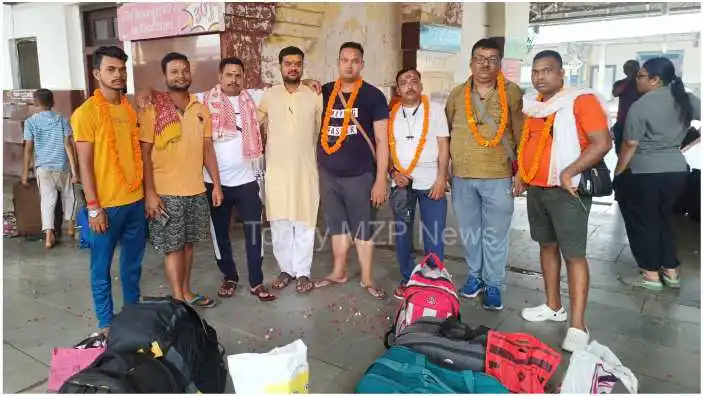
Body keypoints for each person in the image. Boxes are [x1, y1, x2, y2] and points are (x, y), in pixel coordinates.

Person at [515, 50, 611, 352]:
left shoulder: (581, 100)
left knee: (574, 255)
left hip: (568, 191)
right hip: (538, 189)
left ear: (561, 74)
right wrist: (522, 173)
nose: (539, 76)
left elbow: (602, 143)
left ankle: (578, 324)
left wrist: (570, 170)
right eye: (535, 71)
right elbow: (529, 143)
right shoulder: (536, 105)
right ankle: (554, 306)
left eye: (547, 70)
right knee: (546, 246)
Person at [71, 46, 146, 333]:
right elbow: (85, 165)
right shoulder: (86, 113)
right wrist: (93, 208)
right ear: (96, 73)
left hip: (135, 201)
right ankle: (105, 323)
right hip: (105, 207)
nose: (118, 75)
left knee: (132, 265)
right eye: (111, 69)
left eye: (122, 69)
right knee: (100, 268)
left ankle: (133, 313)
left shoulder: (128, 110)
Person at [445, 38, 524, 310]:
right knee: (469, 232)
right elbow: (447, 130)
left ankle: (493, 283)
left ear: (499, 63)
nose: (485, 63)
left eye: (492, 59)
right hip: (463, 175)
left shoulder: (512, 93)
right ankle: (475, 277)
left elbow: (520, 133)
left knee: (496, 234)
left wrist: (521, 173)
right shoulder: (457, 94)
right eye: (480, 58)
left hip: (498, 174)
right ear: (471, 62)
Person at [139, 52, 223, 308]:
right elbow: (143, 154)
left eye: (184, 70)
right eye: (174, 71)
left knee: (188, 245)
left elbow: (207, 149)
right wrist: (150, 193)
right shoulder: (152, 110)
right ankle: (178, 300)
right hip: (165, 192)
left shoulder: (200, 109)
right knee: (173, 247)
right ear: (165, 76)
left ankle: (186, 292)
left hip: (195, 190)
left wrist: (216, 184)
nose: (180, 75)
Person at [194, 57, 277, 302]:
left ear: (243, 77)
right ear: (219, 77)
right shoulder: (203, 99)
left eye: (238, 75)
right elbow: (173, 94)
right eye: (228, 75)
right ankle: (229, 276)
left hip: (247, 180)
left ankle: (256, 281)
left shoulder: (253, 97)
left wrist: (311, 82)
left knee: (254, 232)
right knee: (220, 233)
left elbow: (283, 89)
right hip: (214, 182)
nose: (233, 79)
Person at [614, 57, 701, 290]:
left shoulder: (642, 105)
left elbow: (630, 143)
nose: (637, 80)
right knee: (662, 218)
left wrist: (619, 171)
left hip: (645, 173)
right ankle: (671, 271)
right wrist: (690, 141)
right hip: (676, 171)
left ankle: (651, 274)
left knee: (643, 222)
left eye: (641, 76)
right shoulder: (686, 99)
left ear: (655, 80)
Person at [313, 42, 390, 299]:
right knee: (336, 226)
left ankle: (367, 278)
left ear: (362, 64)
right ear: (338, 62)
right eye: (344, 59)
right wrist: (306, 81)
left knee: (363, 227)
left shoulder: (373, 96)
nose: (349, 64)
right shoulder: (323, 92)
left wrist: (381, 180)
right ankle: (338, 271)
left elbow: (381, 140)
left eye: (354, 60)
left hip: (361, 176)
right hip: (329, 174)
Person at [257, 46, 323, 294]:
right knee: (280, 223)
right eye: (288, 63)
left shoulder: (315, 94)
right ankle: (286, 269)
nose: (293, 67)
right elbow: (255, 123)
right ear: (280, 66)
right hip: (277, 172)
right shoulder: (269, 95)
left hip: (306, 169)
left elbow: (321, 129)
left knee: (305, 222)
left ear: (302, 66)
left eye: (297, 63)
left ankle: (303, 272)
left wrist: (308, 83)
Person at [389, 68, 450, 299]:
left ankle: (434, 280)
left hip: (431, 183)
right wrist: (393, 172)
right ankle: (407, 278)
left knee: (433, 235)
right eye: (404, 82)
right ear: (398, 89)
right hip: (402, 184)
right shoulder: (392, 114)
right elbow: (386, 148)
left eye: (414, 81)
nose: (410, 85)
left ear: (421, 86)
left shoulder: (435, 111)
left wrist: (441, 178)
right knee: (403, 234)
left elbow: (443, 146)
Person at [22, 88, 79, 248]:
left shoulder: (30, 122)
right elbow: (68, 145)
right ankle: (71, 228)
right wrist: (75, 172)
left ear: (35, 102)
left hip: (43, 168)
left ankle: (48, 236)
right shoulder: (62, 119)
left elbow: (28, 149)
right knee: (69, 196)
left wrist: (25, 173)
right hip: (62, 165)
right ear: (52, 102)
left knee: (47, 201)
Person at [612, 60, 642, 155]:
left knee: (635, 153)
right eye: (628, 68)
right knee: (620, 152)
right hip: (622, 123)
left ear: (638, 69)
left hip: (638, 124)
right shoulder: (620, 83)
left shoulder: (643, 84)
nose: (631, 70)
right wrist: (629, 79)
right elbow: (616, 93)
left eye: (633, 68)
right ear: (624, 70)